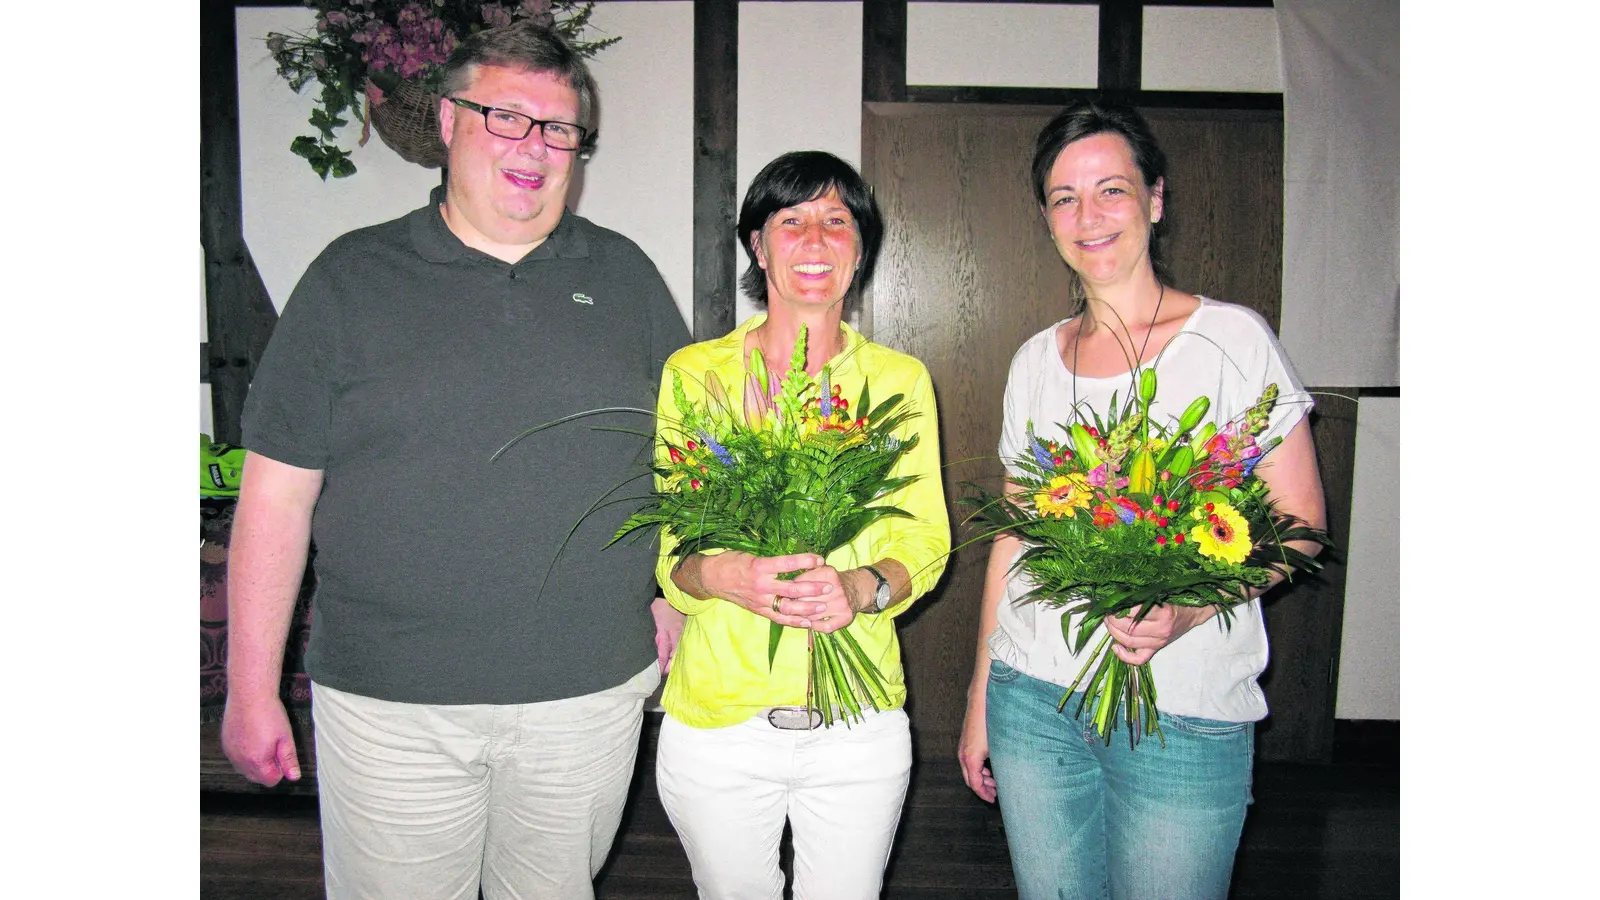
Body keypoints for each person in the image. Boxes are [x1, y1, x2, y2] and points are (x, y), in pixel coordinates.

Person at [220, 20, 690, 900]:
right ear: (444, 121)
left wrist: (669, 586)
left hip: (586, 695)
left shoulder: (626, 278)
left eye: (558, 128)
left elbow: (678, 463)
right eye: (505, 117)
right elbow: (275, 502)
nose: (535, 146)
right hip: (393, 702)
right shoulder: (349, 280)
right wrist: (253, 689)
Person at [956, 100, 1328, 900]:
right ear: (1048, 219)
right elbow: (1013, 542)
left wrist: (1190, 608)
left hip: (1182, 711)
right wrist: (981, 699)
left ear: (1155, 201)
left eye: (1111, 190)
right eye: (1064, 198)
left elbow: (1299, 530)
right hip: (1033, 702)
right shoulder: (1035, 360)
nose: (1088, 216)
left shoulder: (1231, 342)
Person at [649, 151, 950, 900]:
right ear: (758, 245)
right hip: (719, 722)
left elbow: (924, 538)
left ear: (859, 248)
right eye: (791, 222)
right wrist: (724, 575)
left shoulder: (898, 381)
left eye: (836, 222)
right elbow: (673, 555)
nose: (814, 242)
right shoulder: (697, 375)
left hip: (857, 718)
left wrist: (862, 585)